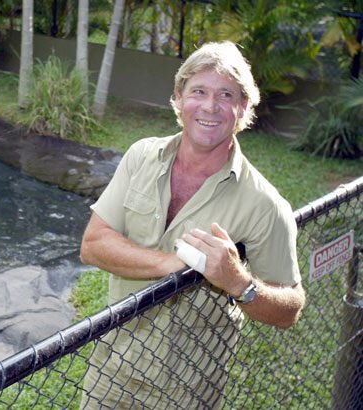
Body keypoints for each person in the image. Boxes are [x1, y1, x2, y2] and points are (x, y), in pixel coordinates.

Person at [79, 41, 306, 409]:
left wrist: (239, 282)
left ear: (242, 108)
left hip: (187, 388)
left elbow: (291, 309)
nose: (210, 106)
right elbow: (93, 244)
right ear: (179, 99)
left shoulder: (265, 204)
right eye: (198, 91)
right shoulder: (141, 156)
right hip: (111, 370)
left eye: (226, 95)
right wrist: (172, 267)